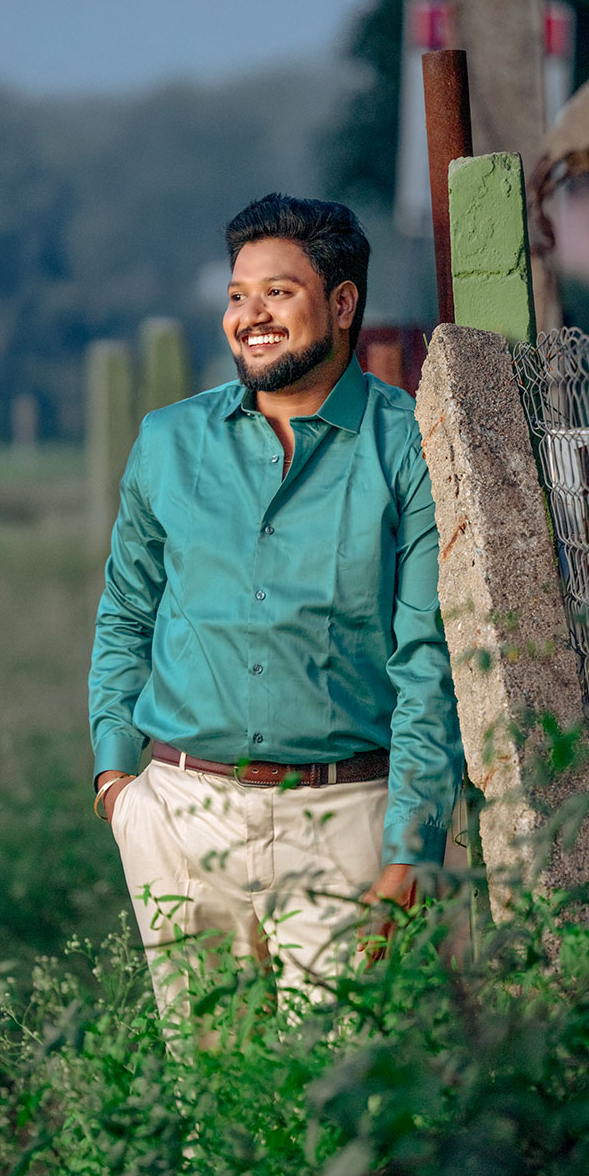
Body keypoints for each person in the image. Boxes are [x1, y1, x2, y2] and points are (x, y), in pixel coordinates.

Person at [89, 192, 462, 1014]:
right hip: (179, 817)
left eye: (277, 293)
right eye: (237, 295)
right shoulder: (169, 442)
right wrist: (117, 778)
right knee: (206, 1080)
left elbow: (428, 655)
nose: (249, 316)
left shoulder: (408, 444)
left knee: (344, 1080)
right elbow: (126, 609)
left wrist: (412, 842)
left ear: (342, 303)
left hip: (345, 821)